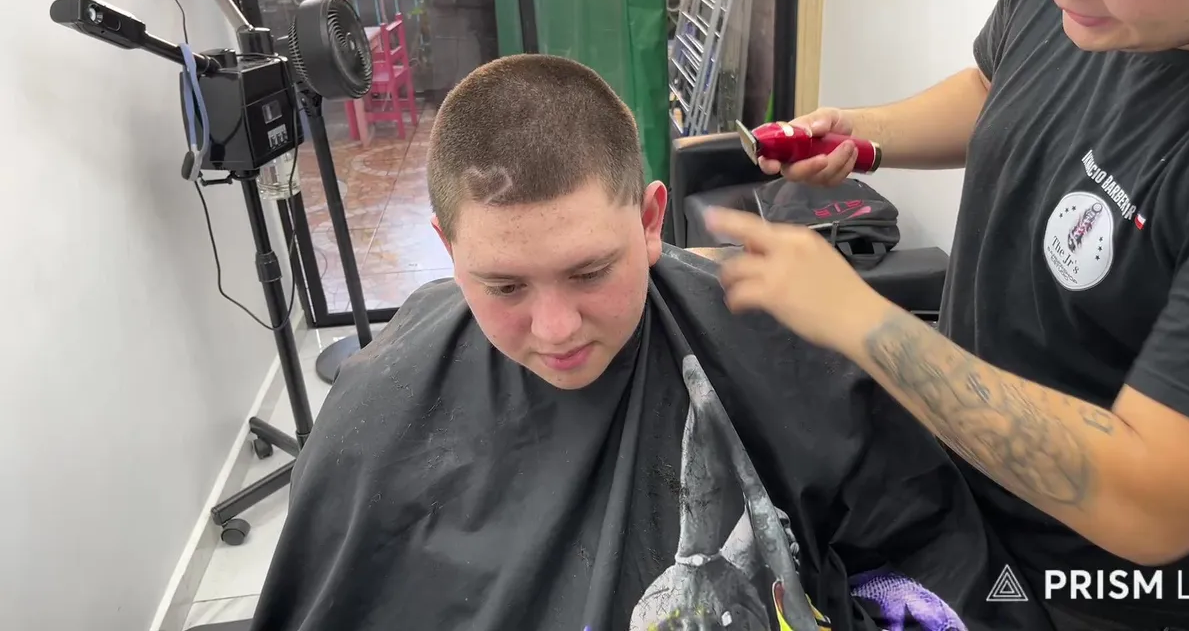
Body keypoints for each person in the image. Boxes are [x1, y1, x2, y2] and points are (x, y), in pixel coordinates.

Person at [247, 55, 1050, 631]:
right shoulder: (379, 407)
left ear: (651, 220)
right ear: (447, 249)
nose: (557, 330)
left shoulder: (778, 344)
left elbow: (928, 548)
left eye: (591, 271)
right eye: (505, 287)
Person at [703, 0, 1189, 631]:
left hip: (1090, 591)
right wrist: (865, 138)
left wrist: (865, 325)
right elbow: (995, 84)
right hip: (952, 494)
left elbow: (1153, 499)